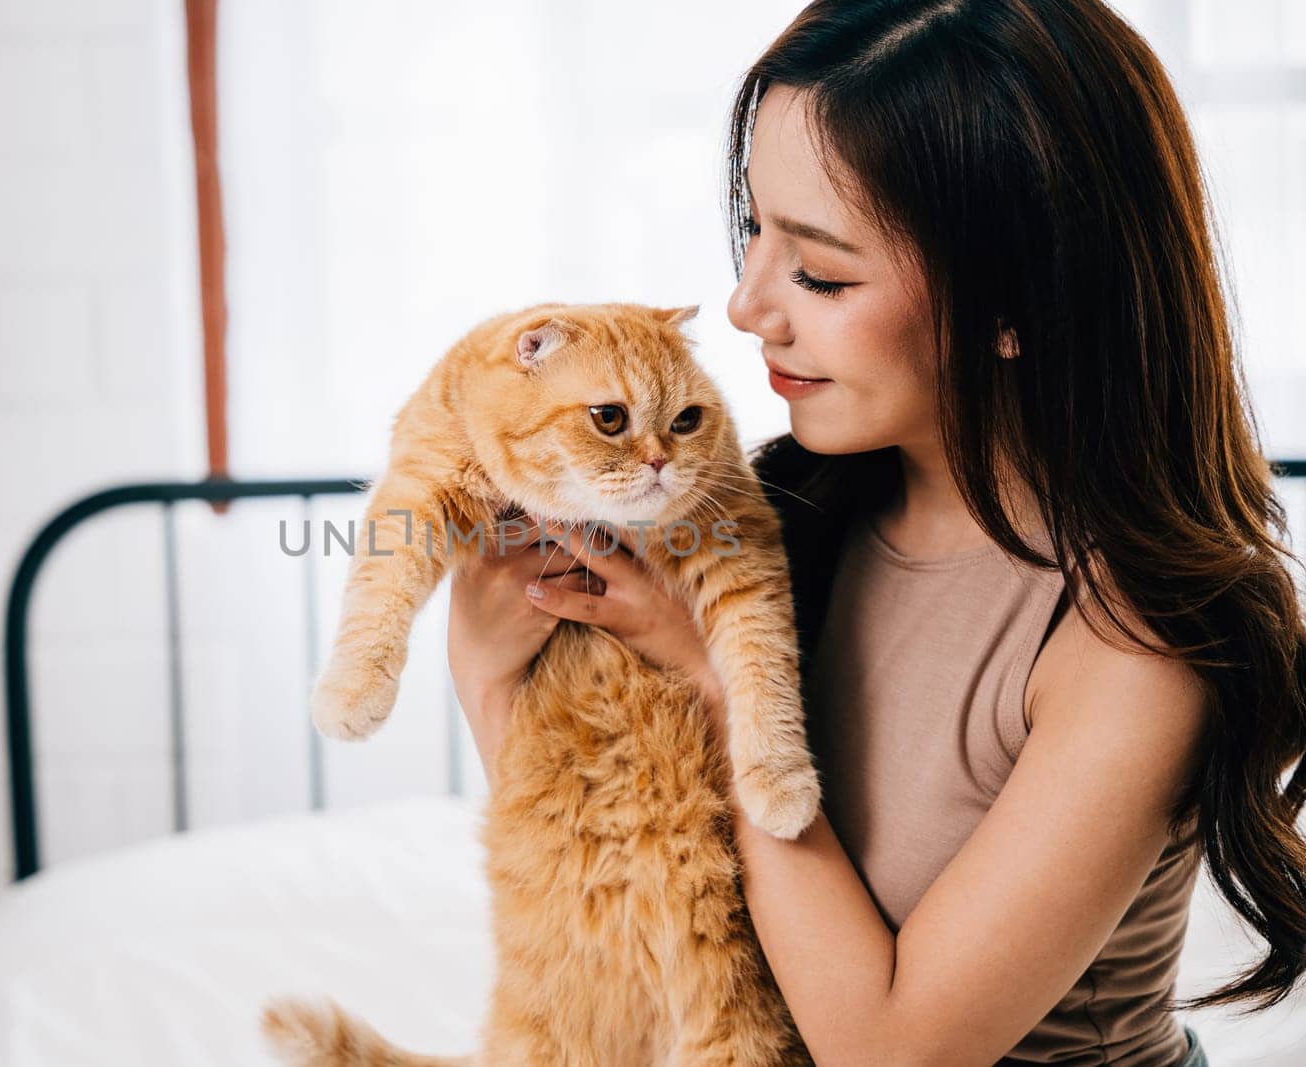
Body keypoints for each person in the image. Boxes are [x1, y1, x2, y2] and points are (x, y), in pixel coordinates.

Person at [446, 1, 1306, 1064]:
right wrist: (488, 670)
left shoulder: (1136, 643)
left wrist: (716, 684)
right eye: (753, 229)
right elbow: (619, 887)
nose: (748, 303)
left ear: (1016, 303)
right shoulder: (772, 523)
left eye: (821, 273)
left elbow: (892, 1048)